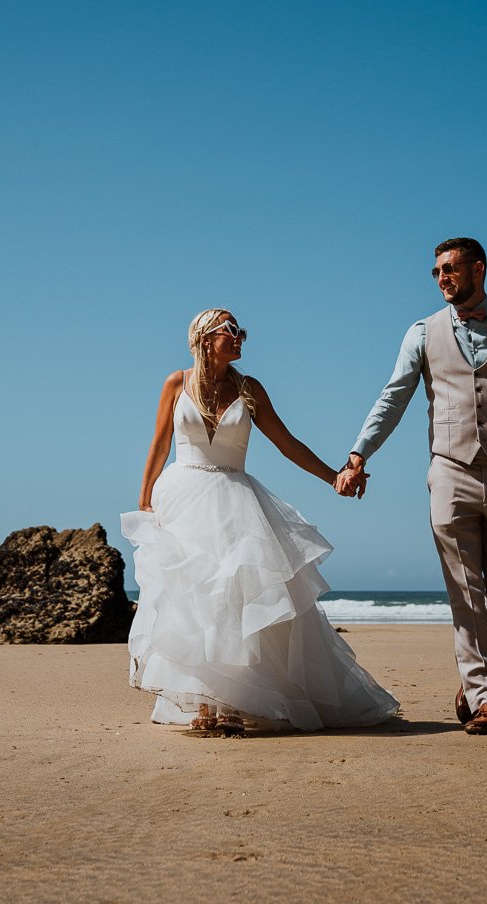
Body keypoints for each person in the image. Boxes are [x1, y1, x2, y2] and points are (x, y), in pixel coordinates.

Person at [334, 238, 487, 736]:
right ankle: (486, 697)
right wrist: (359, 453)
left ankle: (472, 682)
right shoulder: (422, 332)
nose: (442, 277)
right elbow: (394, 398)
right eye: (436, 271)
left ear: (478, 269)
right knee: (464, 589)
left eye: (450, 268)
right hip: (449, 472)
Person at [122, 309, 399, 736]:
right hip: (183, 498)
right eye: (230, 331)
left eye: (241, 332)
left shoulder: (249, 389)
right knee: (195, 604)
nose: (240, 339)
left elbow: (287, 443)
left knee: (236, 600)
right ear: (203, 337)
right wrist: (144, 501)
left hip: (236, 501)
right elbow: (159, 445)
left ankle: (234, 701)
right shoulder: (175, 383)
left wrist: (334, 477)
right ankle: (204, 701)